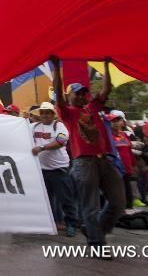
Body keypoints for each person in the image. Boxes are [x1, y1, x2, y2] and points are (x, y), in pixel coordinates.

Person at [51, 57, 123, 254]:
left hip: (105, 159)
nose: (83, 96)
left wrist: (107, 65)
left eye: (85, 93)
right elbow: (58, 93)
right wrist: (57, 68)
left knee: (118, 202)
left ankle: (95, 230)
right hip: (84, 163)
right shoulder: (67, 112)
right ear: (70, 97)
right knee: (91, 206)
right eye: (78, 93)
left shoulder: (92, 108)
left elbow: (106, 90)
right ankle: (97, 245)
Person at [30, 101, 78, 236]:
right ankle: (51, 224)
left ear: (53, 114)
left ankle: (71, 224)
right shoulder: (33, 127)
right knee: (46, 200)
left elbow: (61, 141)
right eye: (43, 112)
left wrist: (42, 148)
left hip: (59, 169)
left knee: (66, 199)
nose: (45, 115)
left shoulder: (59, 126)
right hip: (42, 170)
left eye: (47, 112)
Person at [108, 112, 137, 211]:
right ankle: (117, 212)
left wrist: (134, 165)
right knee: (116, 191)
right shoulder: (107, 136)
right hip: (114, 168)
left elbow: (129, 150)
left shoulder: (125, 134)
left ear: (122, 122)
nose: (116, 123)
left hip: (127, 167)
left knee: (128, 190)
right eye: (113, 121)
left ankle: (129, 210)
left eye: (118, 121)